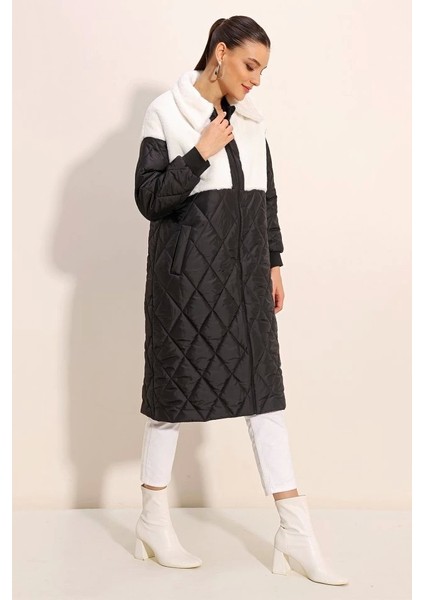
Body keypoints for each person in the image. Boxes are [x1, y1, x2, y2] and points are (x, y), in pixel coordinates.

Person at [132, 16, 348, 585]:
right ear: (221, 53)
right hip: (186, 283)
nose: (256, 80)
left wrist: (273, 260)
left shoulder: (252, 121)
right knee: (171, 403)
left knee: (266, 400)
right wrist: (199, 152)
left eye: (263, 71)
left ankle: (295, 531)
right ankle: (152, 521)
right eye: (251, 65)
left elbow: (265, 197)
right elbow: (149, 199)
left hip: (246, 278)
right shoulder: (166, 112)